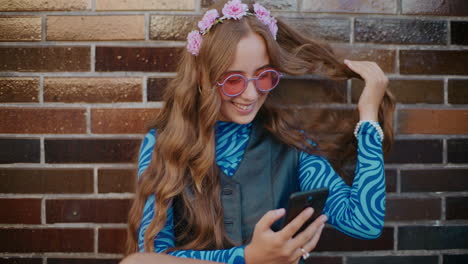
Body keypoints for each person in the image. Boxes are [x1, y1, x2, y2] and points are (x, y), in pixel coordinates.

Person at [121, 0, 395, 263]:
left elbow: (364, 222)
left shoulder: (292, 147)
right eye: (233, 80)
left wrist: (369, 117)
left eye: (264, 76)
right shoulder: (163, 143)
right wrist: (248, 258)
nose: (251, 94)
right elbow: (152, 256)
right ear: (204, 77)